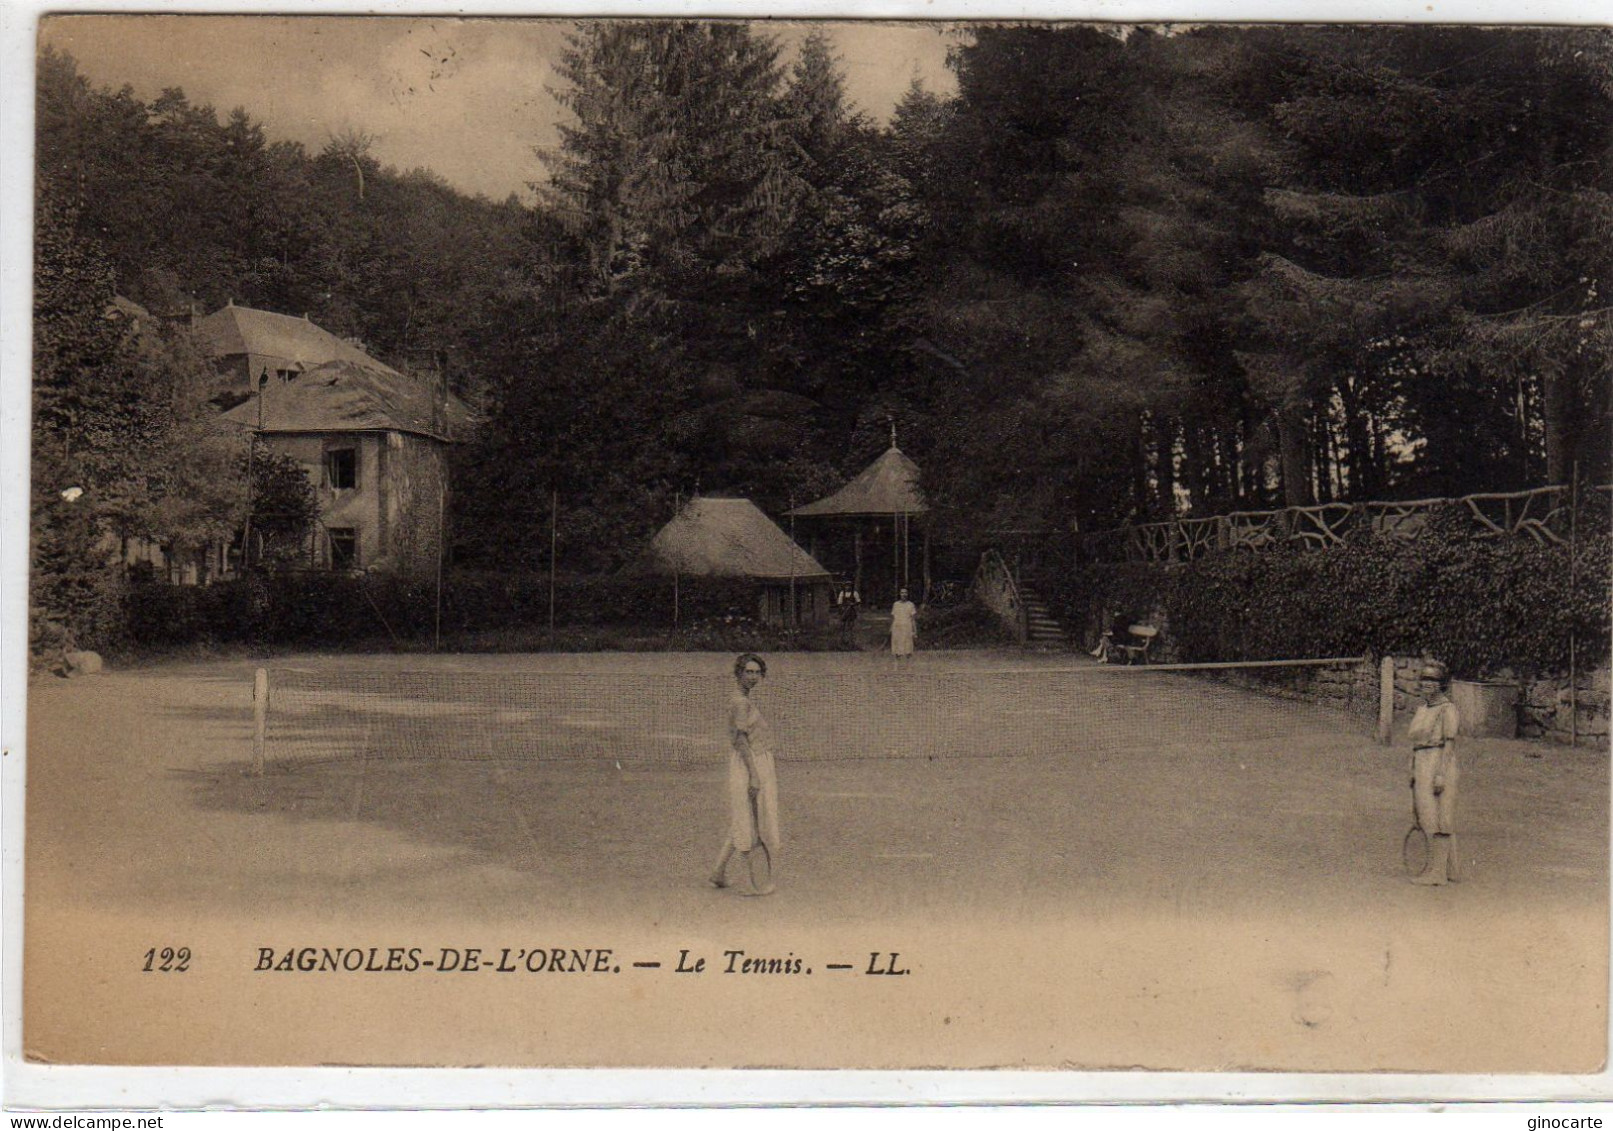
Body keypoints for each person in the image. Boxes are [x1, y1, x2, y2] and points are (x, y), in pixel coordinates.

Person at [710, 653, 779, 895]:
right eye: (748, 672)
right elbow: (740, 740)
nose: (752, 676)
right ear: (738, 674)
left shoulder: (744, 699)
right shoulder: (740, 702)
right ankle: (750, 884)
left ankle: (717, 872)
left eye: (756, 672)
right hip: (750, 765)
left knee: (743, 818)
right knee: (747, 822)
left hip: (756, 763)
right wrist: (754, 775)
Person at [1408, 661, 1462, 886]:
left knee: (1440, 818)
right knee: (1429, 815)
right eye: (1425, 680)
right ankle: (1451, 870)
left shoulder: (1447, 709)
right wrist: (1412, 768)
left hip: (1440, 763)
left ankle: (1437, 873)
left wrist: (1440, 773)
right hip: (1422, 763)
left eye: (1433, 681)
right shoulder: (1424, 709)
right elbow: (1416, 743)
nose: (1427, 685)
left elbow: (1449, 744)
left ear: (1442, 685)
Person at [890, 587, 918, 660]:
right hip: (897, 627)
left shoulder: (910, 604)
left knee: (908, 646)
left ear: (907, 594)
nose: (904, 594)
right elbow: (894, 618)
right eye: (902, 593)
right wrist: (891, 628)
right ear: (900, 594)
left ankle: (908, 666)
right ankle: (896, 666)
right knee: (897, 646)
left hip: (907, 628)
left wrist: (915, 631)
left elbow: (913, 619)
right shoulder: (896, 604)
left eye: (905, 593)